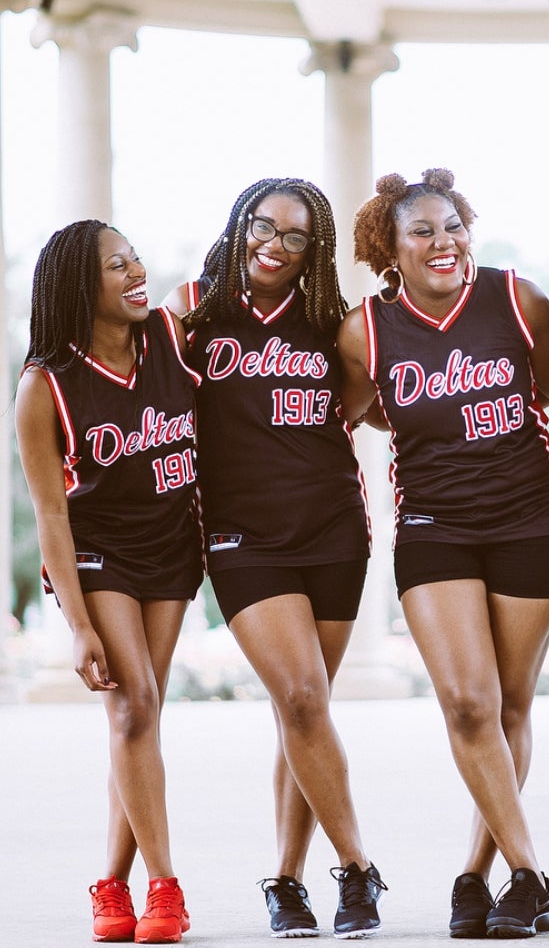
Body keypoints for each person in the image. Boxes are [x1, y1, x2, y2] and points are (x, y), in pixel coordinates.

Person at [340, 169, 549, 940]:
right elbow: (357, 412)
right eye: (423, 231)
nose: (443, 242)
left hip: (530, 522)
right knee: (469, 705)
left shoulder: (516, 298)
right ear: (391, 250)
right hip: (434, 525)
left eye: (453, 227)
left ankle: (478, 876)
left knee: (509, 706)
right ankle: (531, 875)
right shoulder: (365, 331)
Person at [165, 178, 385, 939]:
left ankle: (287, 882)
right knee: (300, 696)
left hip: (333, 529)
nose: (275, 246)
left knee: (304, 710)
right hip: (241, 538)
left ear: (313, 250)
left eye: (296, 236)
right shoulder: (193, 309)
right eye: (264, 226)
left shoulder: (329, 320)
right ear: (241, 223)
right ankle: (357, 868)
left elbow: (360, 405)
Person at [16, 220, 202, 944]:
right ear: (77, 286)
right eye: (116, 266)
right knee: (134, 708)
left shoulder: (172, 336)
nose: (135, 272)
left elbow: (240, 279)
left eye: (135, 259)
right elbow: (50, 515)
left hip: (172, 549)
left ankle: (111, 885)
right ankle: (165, 887)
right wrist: (78, 626)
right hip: (99, 556)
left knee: (139, 720)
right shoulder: (44, 386)